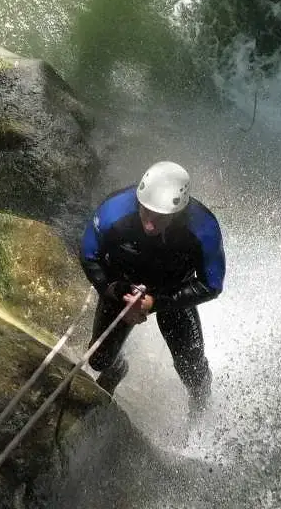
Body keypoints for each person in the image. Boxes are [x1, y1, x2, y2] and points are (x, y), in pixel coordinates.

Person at [78, 160, 226, 415]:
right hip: (123, 286)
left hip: (173, 292)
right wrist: (112, 289)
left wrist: (157, 302)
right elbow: (89, 255)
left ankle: (200, 408)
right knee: (99, 359)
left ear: (179, 212)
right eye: (145, 212)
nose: (149, 225)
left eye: (160, 218)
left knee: (192, 366)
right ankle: (116, 370)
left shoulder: (204, 228)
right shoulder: (114, 211)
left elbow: (211, 284)